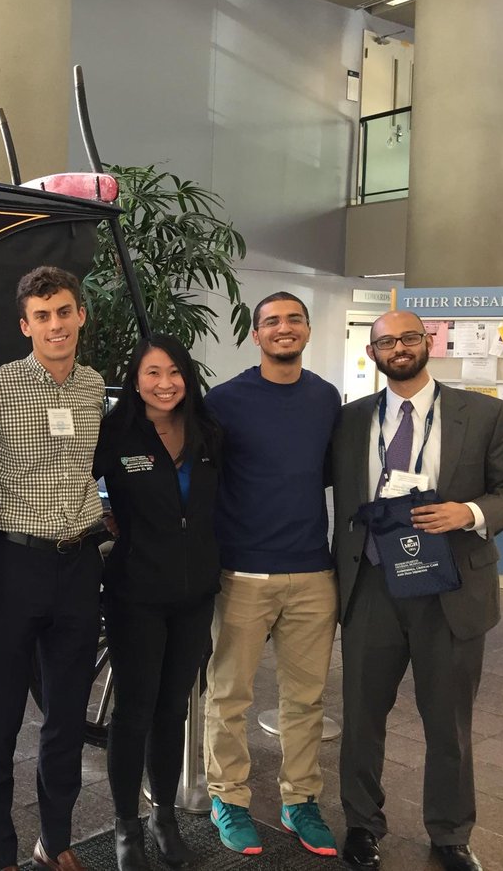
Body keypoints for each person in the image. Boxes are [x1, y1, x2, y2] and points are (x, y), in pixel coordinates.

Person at [330, 311, 503, 871]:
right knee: (361, 717)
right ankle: (362, 825)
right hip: (372, 587)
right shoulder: (349, 419)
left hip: (449, 590)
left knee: (449, 721)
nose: (399, 347)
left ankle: (451, 834)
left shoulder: (482, 413)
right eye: (386, 341)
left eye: (409, 337)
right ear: (372, 351)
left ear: (426, 341)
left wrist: (472, 511)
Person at [0, 266, 107, 871]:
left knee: (66, 716)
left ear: (80, 317)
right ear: (25, 325)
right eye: (42, 316)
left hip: (79, 566)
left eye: (64, 311)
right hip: (14, 563)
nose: (55, 325)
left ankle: (57, 838)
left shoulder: (94, 386)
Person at [202, 291, 341, 857]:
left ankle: (299, 800)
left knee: (306, 700)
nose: (284, 329)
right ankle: (228, 800)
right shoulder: (226, 402)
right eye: (272, 322)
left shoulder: (327, 398)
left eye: (294, 320)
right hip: (243, 571)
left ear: (306, 331)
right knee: (229, 695)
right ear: (255, 336)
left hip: (312, 571)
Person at [91, 334, 221, 871]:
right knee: (135, 711)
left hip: (195, 596)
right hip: (136, 595)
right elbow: (68, 485)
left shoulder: (209, 433)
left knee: (173, 709)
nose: (164, 383)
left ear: (187, 377)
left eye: (174, 372)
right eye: (151, 373)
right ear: (135, 380)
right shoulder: (116, 433)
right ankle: (127, 827)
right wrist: (101, 521)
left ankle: (163, 818)